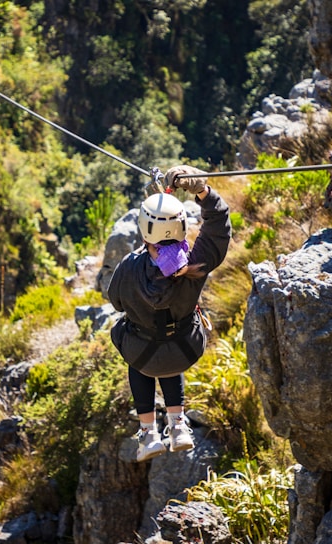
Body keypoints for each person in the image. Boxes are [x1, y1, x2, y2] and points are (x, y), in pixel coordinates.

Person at [108, 165, 232, 462]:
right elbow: (218, 227)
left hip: (143, 356)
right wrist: (202, 190)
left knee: (136, 343)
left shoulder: (129, 266)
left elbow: (116, 302)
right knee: (169, 343)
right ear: (181, 227)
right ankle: (178, 425)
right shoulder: (196, 264)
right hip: (185, 349)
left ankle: (148, 433)